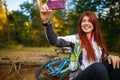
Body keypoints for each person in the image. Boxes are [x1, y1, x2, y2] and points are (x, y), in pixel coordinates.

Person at [40, 4, 120, 80]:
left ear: (94, 24)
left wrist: (110, 57)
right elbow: (54, 41)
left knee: (116, 65)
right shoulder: (74, 39)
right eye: (83, 21)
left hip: (96, 75)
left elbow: (104, 58)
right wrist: (46, 22)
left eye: (89, 21)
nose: (86, 23)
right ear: (80, 24)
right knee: (98, 68)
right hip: (79, 76)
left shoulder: (98, 42)